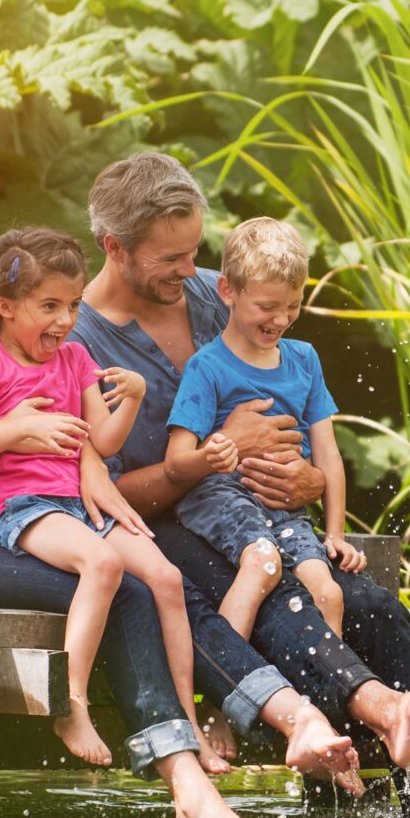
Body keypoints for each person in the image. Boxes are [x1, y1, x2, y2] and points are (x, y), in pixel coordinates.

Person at [0, 157, 354, 818]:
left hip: (56, 499)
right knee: (125, 586)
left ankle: (284, 719)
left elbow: (76, 399)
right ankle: (193, 800)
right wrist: (6, 434)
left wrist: (97, 472)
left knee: (159, 572)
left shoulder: (0, 285)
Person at [68, 152, 410, 818]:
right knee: (283, 601)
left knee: (371, 605)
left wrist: (309, 479)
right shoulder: (81, 342)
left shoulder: (221, 291)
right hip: (166, 532)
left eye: (194, 251)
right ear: (114, 248)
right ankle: (381, 723)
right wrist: (217, 449)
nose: (188, 271)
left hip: (264, 517)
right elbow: (101, 493)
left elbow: (298, 422)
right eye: (169, 259)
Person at [0, 226, 219, 772]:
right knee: (102, 564)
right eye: (48, 306)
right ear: (4, 304)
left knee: (167, 580)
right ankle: (71, 703)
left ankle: (189, 719)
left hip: (82, 504)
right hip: (24, 505)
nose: (65, 320)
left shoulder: (75, 359)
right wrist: (20, 428)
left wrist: (134, 397)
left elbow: (104, 442)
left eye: (72, 305)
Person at [166, 218, 362, 643]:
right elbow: (177, 461)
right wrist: (211, 455)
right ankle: (231, 680)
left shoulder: (304, 360)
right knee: (263, 563)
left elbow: (327, 452)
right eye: (267, 306)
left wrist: (336, 533)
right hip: (221, 494)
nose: (281, 319)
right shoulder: (207, 367)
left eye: (293, 306)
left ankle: (331, 694)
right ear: (228, 292)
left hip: (285, 506)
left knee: (328, 593)